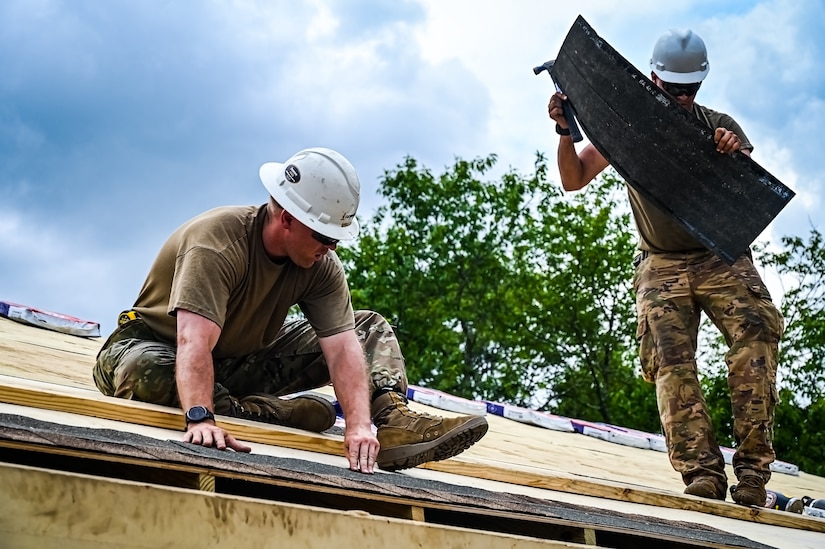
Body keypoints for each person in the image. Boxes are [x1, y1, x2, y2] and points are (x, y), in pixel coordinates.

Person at [93, 147, 488, 474]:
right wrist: (200, 417)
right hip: (156, 349)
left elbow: (344, 347)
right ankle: (266, 413)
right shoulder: (217, 242)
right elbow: (192, 340)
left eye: (337, 238)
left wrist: (358, 426)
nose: (331, 247)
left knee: (368, 328)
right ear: (286, 218)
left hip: (240, 360)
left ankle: (394, 425)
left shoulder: (322, 265)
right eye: (323, 235)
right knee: (143, 374)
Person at [547, 30, 783, 505]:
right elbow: (573, 180)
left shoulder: (718, 125)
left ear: (699, 85)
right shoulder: (627, 130)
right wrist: (565, 131)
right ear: (653, 77)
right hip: (661, 262)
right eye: (673, 88)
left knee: (757, 333)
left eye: (688, 90)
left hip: (720, 256)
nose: (680, 98)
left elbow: (748, 194)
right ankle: (701, 473)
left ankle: (754, 473)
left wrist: (732, 154)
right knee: (670, 362)